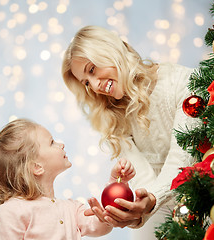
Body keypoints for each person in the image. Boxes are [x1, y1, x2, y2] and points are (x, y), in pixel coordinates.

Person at [61, 25, 197, 239]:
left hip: (202, 189)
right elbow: (142, 177)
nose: (95, 86)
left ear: (110, 50)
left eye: (92, 69)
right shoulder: (111, 114)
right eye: (86, 82)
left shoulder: (182, 81)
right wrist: (139, 209)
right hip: (159, 202)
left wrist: (151, 199)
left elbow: (183, 157)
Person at [0, 118, 135, 239]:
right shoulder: (12, 212)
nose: (60, 144)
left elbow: (101, 223)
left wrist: (116, 184)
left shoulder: (71, 209)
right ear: (36, 167)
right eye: (52, 142)